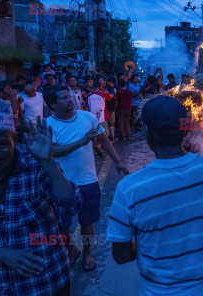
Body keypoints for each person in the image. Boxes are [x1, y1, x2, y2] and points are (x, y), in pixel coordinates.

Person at [106, 96, 203, 295]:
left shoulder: (129, 188)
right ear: (185, 131)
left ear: (147, 133)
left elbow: (121, 256)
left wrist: (153, 241)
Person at [0, 96, 82, 295]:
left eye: (1, 143)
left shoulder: (34, 165)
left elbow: (72, 204)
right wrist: (0, 254)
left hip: (46, 282)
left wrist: (48, 162)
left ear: (14, 140)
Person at [44, 86, 129, 272]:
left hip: (88, 180)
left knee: (87, 222)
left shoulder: (87, 117)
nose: (70, 100)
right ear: (52, 104)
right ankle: (72, 249)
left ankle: (87, 252)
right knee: (63, 225)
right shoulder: (48, 124)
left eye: (69, 97)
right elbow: (53, 151)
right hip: (61, 184)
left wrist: (118, 161)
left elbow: (103, 140)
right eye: (63, 98)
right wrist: (81, 142)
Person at [105, 76, 117, 141]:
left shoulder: (114, 89)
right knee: (106, 123)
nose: (112, 85)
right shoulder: (105, 90)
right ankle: (108, 137)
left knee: (112, 122)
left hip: (112, 108)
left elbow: (115, 98)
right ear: (107, 82)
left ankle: (112, 136)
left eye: (113, 83)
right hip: (106, 108)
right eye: (111, 83)